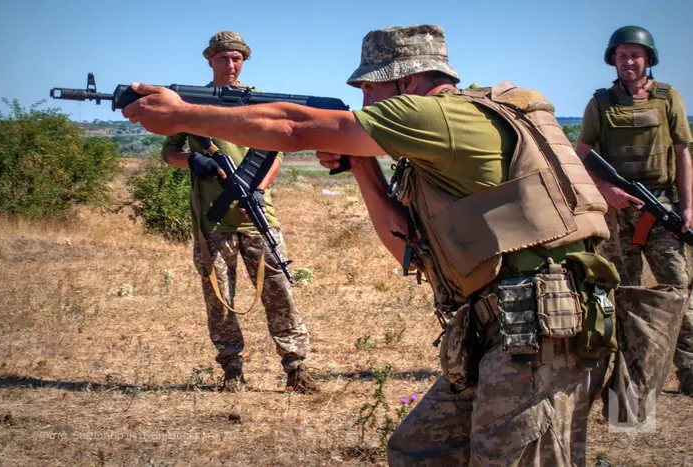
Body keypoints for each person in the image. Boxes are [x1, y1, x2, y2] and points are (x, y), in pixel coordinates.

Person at [124, 24, 616, 466]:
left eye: (370, 86)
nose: (363, 100)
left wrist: (183, 114)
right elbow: (406, 247)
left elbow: (294, 127)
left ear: (408, 81)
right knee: (419, 449)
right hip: (501, 325)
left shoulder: (439, 115)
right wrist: (361, 166)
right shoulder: (435, 140)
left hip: (543, 324)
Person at [160, 30, 317, 394]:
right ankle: (232, 370)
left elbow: (276, 152)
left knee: (278, 292)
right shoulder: (190, 104)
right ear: (210, 60)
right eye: (222, 58)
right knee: (220, 298)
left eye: (236, 58)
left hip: (256, 216)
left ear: (243, 60)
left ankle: (296, 368)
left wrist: (258, 192)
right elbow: (169, 153)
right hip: (211, 220)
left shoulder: (259, 102)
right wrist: (192, 159)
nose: (230, 64)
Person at [576, 25, 693, 395]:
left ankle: (688, 369)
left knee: (677, 289)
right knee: (622, 294)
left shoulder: (666, 97)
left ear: (648, 59)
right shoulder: (600, 103)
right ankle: (630, 376)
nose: (629, 61)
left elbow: (682, 153)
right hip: (618, 211)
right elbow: (580, 157)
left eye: (636, 55)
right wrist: (606, 189)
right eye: (622, 55)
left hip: (660, 207)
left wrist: (688, 207)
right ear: (613, 60)